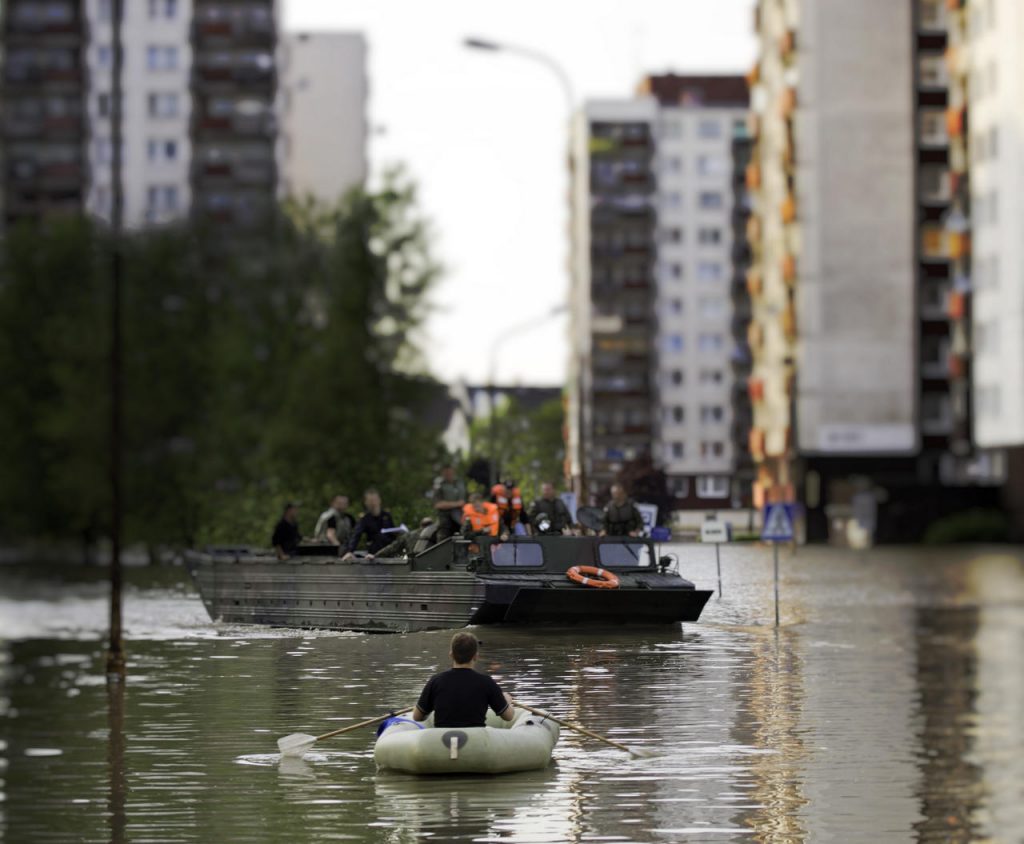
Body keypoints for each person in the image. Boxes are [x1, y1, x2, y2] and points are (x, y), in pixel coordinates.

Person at [413, 632, 514, 728]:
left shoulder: (435, 681)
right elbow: (508, 717)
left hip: (442, 743)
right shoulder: (487, 682)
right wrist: (507, 701)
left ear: (451, 655)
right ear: (476, 656)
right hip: (476, 741)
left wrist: (428, 705)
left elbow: (417, 717)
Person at [342, 489, 397, 559]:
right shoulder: (365, 518)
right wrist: (349, 551)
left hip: (389, 549)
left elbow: (393, 534)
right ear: (366, 502)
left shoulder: (386, 516)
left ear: (379, 500)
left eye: (375, 500)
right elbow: (356, 535)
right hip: (374, 552)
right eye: (370, 501)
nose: (373, 503)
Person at [375, 517, 440, 559]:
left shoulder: (409, 535)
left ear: (420, 525)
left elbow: (392, 548)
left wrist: (375, 555)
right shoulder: (437, 535)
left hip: (412, 566)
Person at [433, 464, 467, 541]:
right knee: (443, 537)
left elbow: (467, 499)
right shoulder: (439, 484)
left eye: (450, 472)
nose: (449, 474)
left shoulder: (460, 482)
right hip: (446, 518)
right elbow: (438, 504)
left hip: (461, 516)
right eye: (446, 473)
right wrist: (457, 504)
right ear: (443, 473)